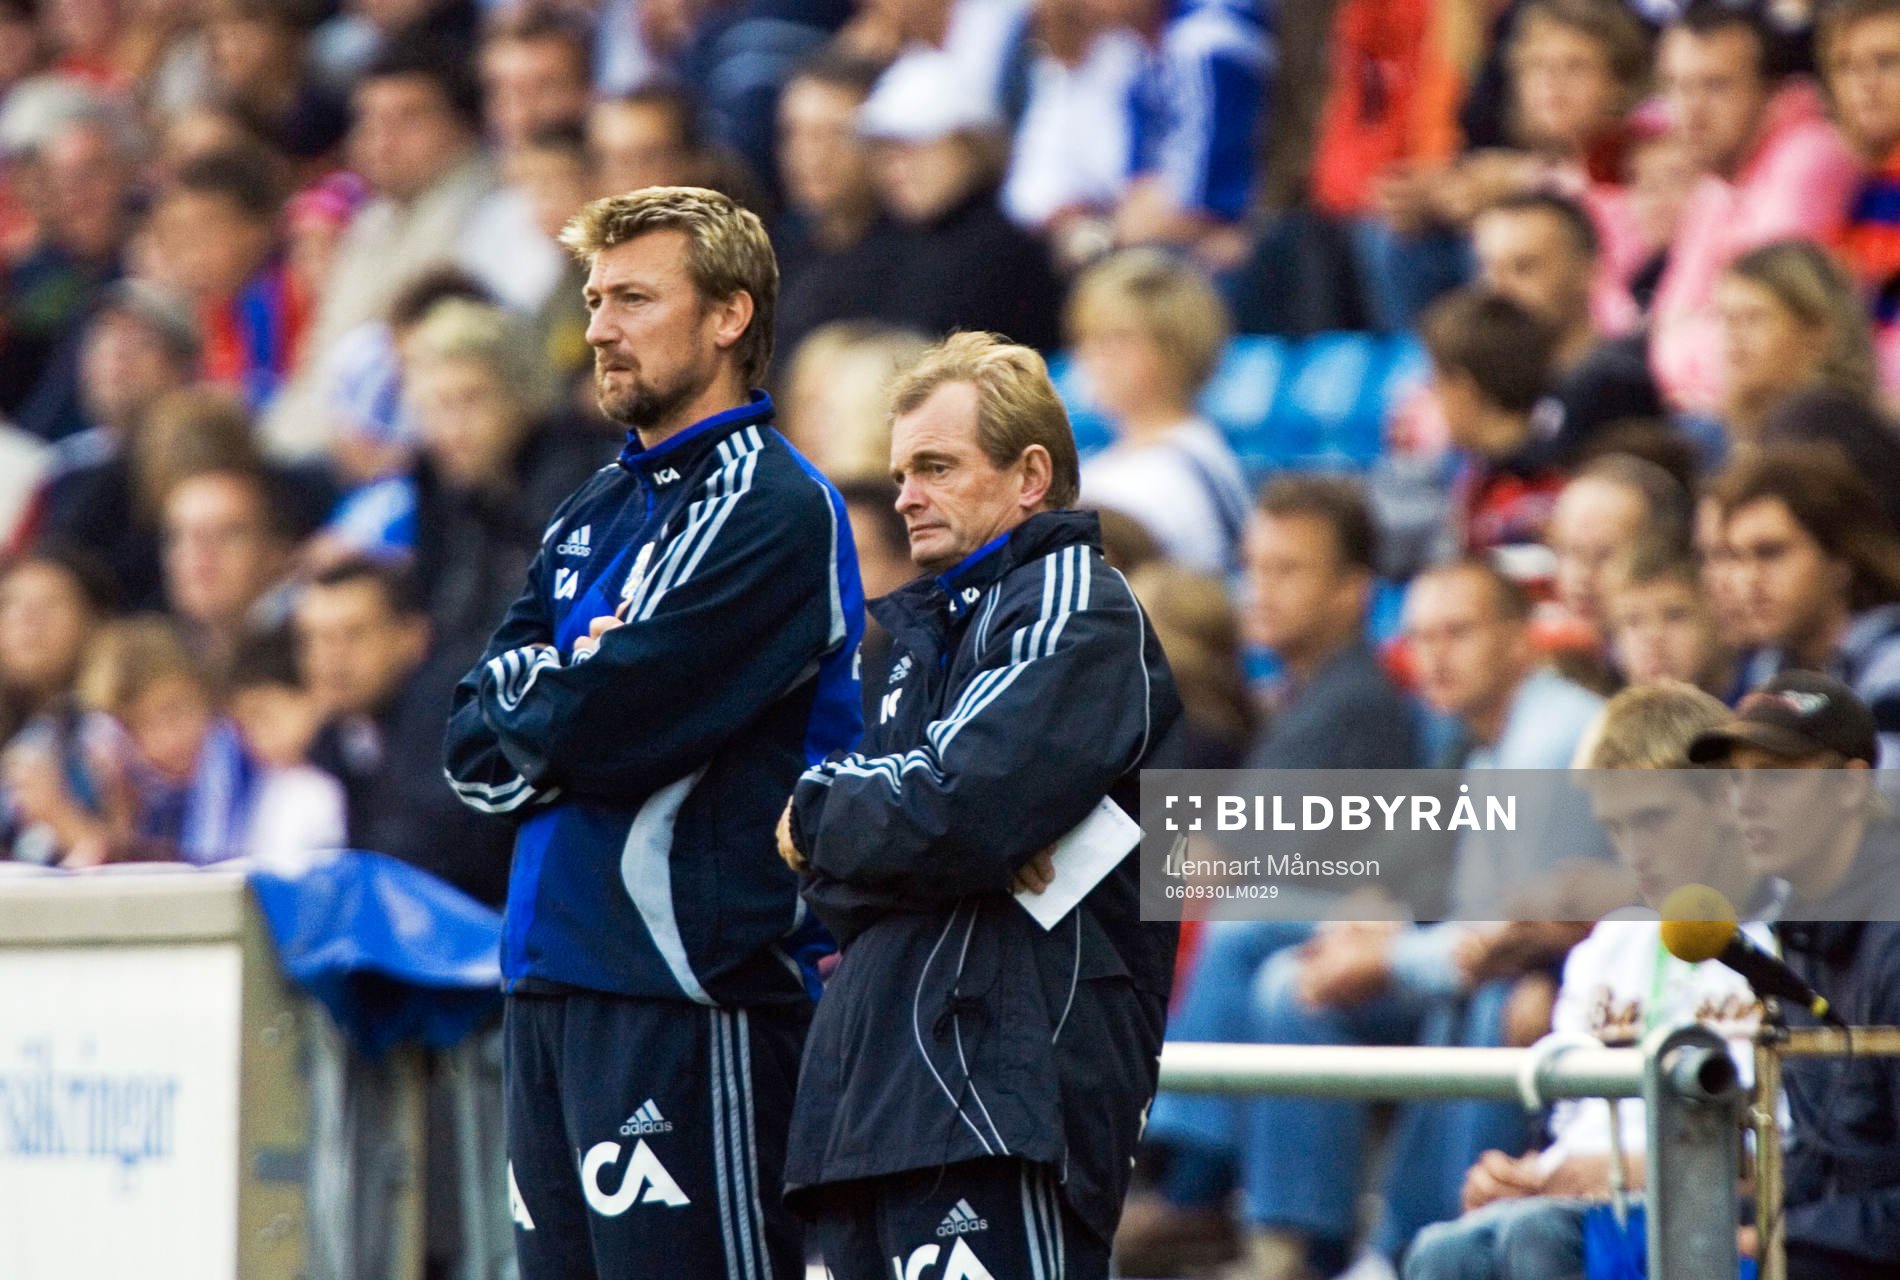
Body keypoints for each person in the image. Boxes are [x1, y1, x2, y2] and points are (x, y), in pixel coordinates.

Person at [443, 186, 864, 1280]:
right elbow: (469, 736)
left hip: (686, 995)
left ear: (729, 315)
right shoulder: (593, 507)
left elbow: (606, 720)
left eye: (633, 296)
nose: (597, 327)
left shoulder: (769, 503)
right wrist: (556, 697)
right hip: (547, 981)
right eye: (592, 297)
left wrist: (549, 697)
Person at [778, 331, 1184, 1280]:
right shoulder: (915, 641)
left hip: (1000, 1091)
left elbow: (954, 806)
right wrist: (899, 839)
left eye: (935, 467)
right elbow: (850, 877)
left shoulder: (1076, 605)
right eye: (900, 471)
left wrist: (835, 813)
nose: (907, 495)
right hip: (872, 1092)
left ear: (1029, 474)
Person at [1406, 680, 1770, 1280]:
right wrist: (1520, 1177)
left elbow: (1788, 1153)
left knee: (1537, 1235)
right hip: (1595, 1208)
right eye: (1616, 828)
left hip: (1727, 1213)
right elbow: (1572, 1136)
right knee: (1442, 1251)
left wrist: (1585, 1176)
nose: (1636, 850)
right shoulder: (1606, 945)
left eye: (1654, 819)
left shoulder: (1784, 940)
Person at [1686, 672, 1900, 1279]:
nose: (1745, 803)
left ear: (1851, 787)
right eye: (1736, 780)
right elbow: (1823, 1156)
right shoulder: (1801, 930)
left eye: (1775, 777)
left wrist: (1777, 1240)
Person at [1647, 3, 1860, 413]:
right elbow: (1667, 319)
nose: (1691, 109)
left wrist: (1683, 370)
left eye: (1715, 86)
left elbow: (1766, 330)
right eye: (1677, 86)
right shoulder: (1715, 184)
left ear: (1771, 92)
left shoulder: (1809, 159)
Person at [298, 558, 514, 904]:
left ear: (412, 637)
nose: (331, 658)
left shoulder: (455, 708)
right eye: (317, 639)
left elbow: (428, 859)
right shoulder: (332, 737)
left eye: (353, 634)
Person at [1067, 247, 1251, 578]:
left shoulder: (1170, 472)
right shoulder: (1118, 462)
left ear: (1176, 348)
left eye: (1118, 340)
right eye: (1089, 338)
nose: (1094, 358)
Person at [1710, 445, 1900, 760]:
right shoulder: (1765, 668)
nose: (1747, 580)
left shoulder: (1891, 666)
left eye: (1770, 552)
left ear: (1841, 557)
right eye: (1735, 557)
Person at [1713, 240, 1877, 447]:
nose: (1733, 335)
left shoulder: (1820, 422)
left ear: (1816, 331)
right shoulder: (1756, 425)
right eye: (1726, 318)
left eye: (1754, 318)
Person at [1602, 543, 1738, 697]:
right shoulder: (1601, 716)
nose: (1653, 636)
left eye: (1675, 615)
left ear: (1715, 619)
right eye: (1633, 621)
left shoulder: (1749, 707)